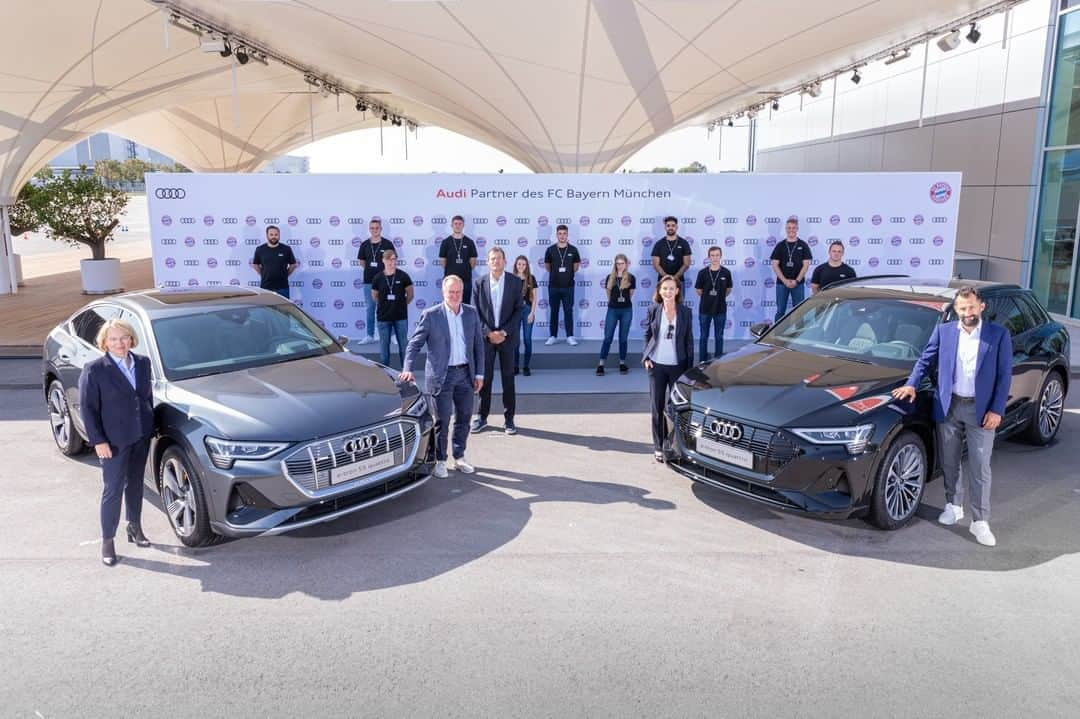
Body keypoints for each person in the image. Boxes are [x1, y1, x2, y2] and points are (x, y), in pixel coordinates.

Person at [891, 286, 1012, 547]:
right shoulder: (944, 332)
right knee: (949, 459)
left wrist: (997, 410)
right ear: (956, 310)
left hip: (981, 410)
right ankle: (953, 505)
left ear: (981, 306)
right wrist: (912, 383)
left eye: (971, 307)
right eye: (962, 308)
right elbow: (925, 360)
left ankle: (980, 521)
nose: (967, 312)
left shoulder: (998, 335)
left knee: (980, 466)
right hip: (949, 406)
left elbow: (1004, 376)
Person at [77, 319, 154, 566]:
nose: (120, 343)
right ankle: (108, 541)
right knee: (112, 490)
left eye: (124, 338)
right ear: (104, 343)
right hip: (113, 442)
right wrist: (98, 441)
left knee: (136, 485)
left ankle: (135, 527)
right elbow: (88, 409)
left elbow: (145, 399)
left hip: (140, 436)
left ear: (131, 339)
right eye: (113, 339)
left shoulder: (143, 363)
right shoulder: (95, 369)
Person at [401, 276, 485, 478]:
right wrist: (408, 367)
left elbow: (478, 346)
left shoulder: (471, 313)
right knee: (443, 420)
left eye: (458, 292)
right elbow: (414, 344)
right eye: (451, 292)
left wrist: (480, 373)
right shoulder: (431, 315)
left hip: (465, 374)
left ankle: (459, 456)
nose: (455, 295)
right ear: (443, 293)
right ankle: (440, 460)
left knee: (464, 418)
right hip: (442, 377)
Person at [472, 248, 524, 435]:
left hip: (507, 339)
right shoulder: (479, 283)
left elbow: (519, 310)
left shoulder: (515, 282)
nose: (496, 262)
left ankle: (509, 419)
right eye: (492, 259)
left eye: (499, 258)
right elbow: (475, 313)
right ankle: (481, 417)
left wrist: (504, 331)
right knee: (484, 380)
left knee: (508, 380)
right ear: (487, 262)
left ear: (505, 260)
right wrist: (488, 333)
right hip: (486, 340)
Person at [642, 275, 694, 463]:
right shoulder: (653, 310)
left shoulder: (686, 312)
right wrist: (646, 358)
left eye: (672, 288)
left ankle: (675, 445)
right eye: (665, 288)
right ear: (659, 291)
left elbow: (689, 341)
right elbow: (647, 335)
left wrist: (689, 369)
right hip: (656, 366)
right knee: (657, 408)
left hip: (677, 366)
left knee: (676, 409)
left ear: (677, 291)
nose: (668, 292)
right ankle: (658, 445)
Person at [370, 249, 414, 368]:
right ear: (383, 260)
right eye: (388, 259)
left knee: (403, 345)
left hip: (400, 317)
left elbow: (410, 294)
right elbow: (374, 295)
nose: (391, 262)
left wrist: (401, 305)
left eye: (393, 259)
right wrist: (384, 305)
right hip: (383, 318)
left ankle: (406, 371)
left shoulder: (403, 276)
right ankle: (385, 371)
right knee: (384, 346)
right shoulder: (377, 278)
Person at [356, 218, 396, 344]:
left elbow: (392, 261)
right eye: (372, 228)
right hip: (369, 281)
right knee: (370, 308)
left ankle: (392, 335)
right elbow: (362, 262)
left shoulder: (387, 244)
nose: (374, 230)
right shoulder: (364, 245)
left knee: (387, 308)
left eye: (377, 228)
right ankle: (370, 335)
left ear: (381, 229)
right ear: (369, 229)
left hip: (385, 280)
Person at [597, 253, 636, 375]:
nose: (620, 266)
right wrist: (614, 302)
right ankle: (601, 364)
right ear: (615, 264)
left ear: (626, 264)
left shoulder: (631, 278)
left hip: (626, 310)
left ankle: (622, 363)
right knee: (608, 338)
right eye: (617, 263)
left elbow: (630, 294)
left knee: (623, 339)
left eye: (622, 263)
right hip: (612, 310)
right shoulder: (610, 277)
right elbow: (608, 294)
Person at [543, 224, 581, 346]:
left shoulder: (573, 250)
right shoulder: (550, 250)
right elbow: (548, 267)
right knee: (553, 311)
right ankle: (553, 336)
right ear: (556, 235)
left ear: (567, 234)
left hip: (568, 286)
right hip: (554, 286)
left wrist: (566, 274)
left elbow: (575, 267)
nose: (562, 236)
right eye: (560, 233)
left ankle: (569, 336)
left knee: (568, 311)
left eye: (564, 233)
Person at [694, 246, 733, 361]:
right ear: (708, 257)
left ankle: (718, 361)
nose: (715, 258)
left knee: (719, 337)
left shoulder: (726, 272)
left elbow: (729, 289)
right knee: (703, 337)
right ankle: (702, 361)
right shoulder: (702, 273)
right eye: (712, 255)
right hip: (705, 309)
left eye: (717, 255)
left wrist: (719, 297)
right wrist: (708, 297)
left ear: (721, 256)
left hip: (720, 309)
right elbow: (698, 290)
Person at [769, 218, 812, 321]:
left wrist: (796, 281)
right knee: (780, 311)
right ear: (785, 229)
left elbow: (806, 265)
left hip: (798, 283)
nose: (791, 230)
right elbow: (775, 264)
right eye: (789, 228)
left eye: (793, 228)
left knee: (799, 311)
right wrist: (785, 281)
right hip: (781, 284)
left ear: (797, 228)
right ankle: (776, 336)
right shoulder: (780, 245)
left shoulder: (803, 245)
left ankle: (798, 335)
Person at [437, 215, 479, 304]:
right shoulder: (446, 242)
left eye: (460, 224)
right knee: (450, 304)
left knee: (465, 305)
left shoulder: (469, 242)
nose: (457, 226)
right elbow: (443, 262)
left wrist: (463, 269)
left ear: (463, 225)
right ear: (451, 225)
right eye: (455, 224)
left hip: (466, 280)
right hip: (449, 281)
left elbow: (473, 262)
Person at [250, 225, 297, 298]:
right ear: (267, 235)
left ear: (279, 235)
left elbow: (293, 265)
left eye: (276, 234)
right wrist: (263, 274)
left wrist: (285, 275)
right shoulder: (260, 249)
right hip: (266, 287)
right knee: (266, 309)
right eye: (271, 235)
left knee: (284, 309)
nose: (274, 237)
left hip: (283, 287)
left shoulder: (286, 249)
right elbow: (255, 264)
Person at [513, 254, 539, 376]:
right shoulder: (511, 278)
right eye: (519, 264)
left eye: (523, 264)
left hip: (527, 311)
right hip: (515, 312)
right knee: (515, 341)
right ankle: (515, 366)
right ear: (515, 265)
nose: (521, 266)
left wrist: (532, 313)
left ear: (527, 265)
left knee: (527, 340)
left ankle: (526, 366)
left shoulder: (531, 278)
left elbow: (534, 298)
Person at [651, 216, 692, 287]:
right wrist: (667, 277)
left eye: (673, 225)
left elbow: (686, 264)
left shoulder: (684, 243)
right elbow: (655, 264)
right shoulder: (659, 244)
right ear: (665, 227)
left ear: (677, 227)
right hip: (663, 281)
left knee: (680, 298)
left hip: (679, 281)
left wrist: (675, 277)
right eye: (668, 225)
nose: (670, 228)